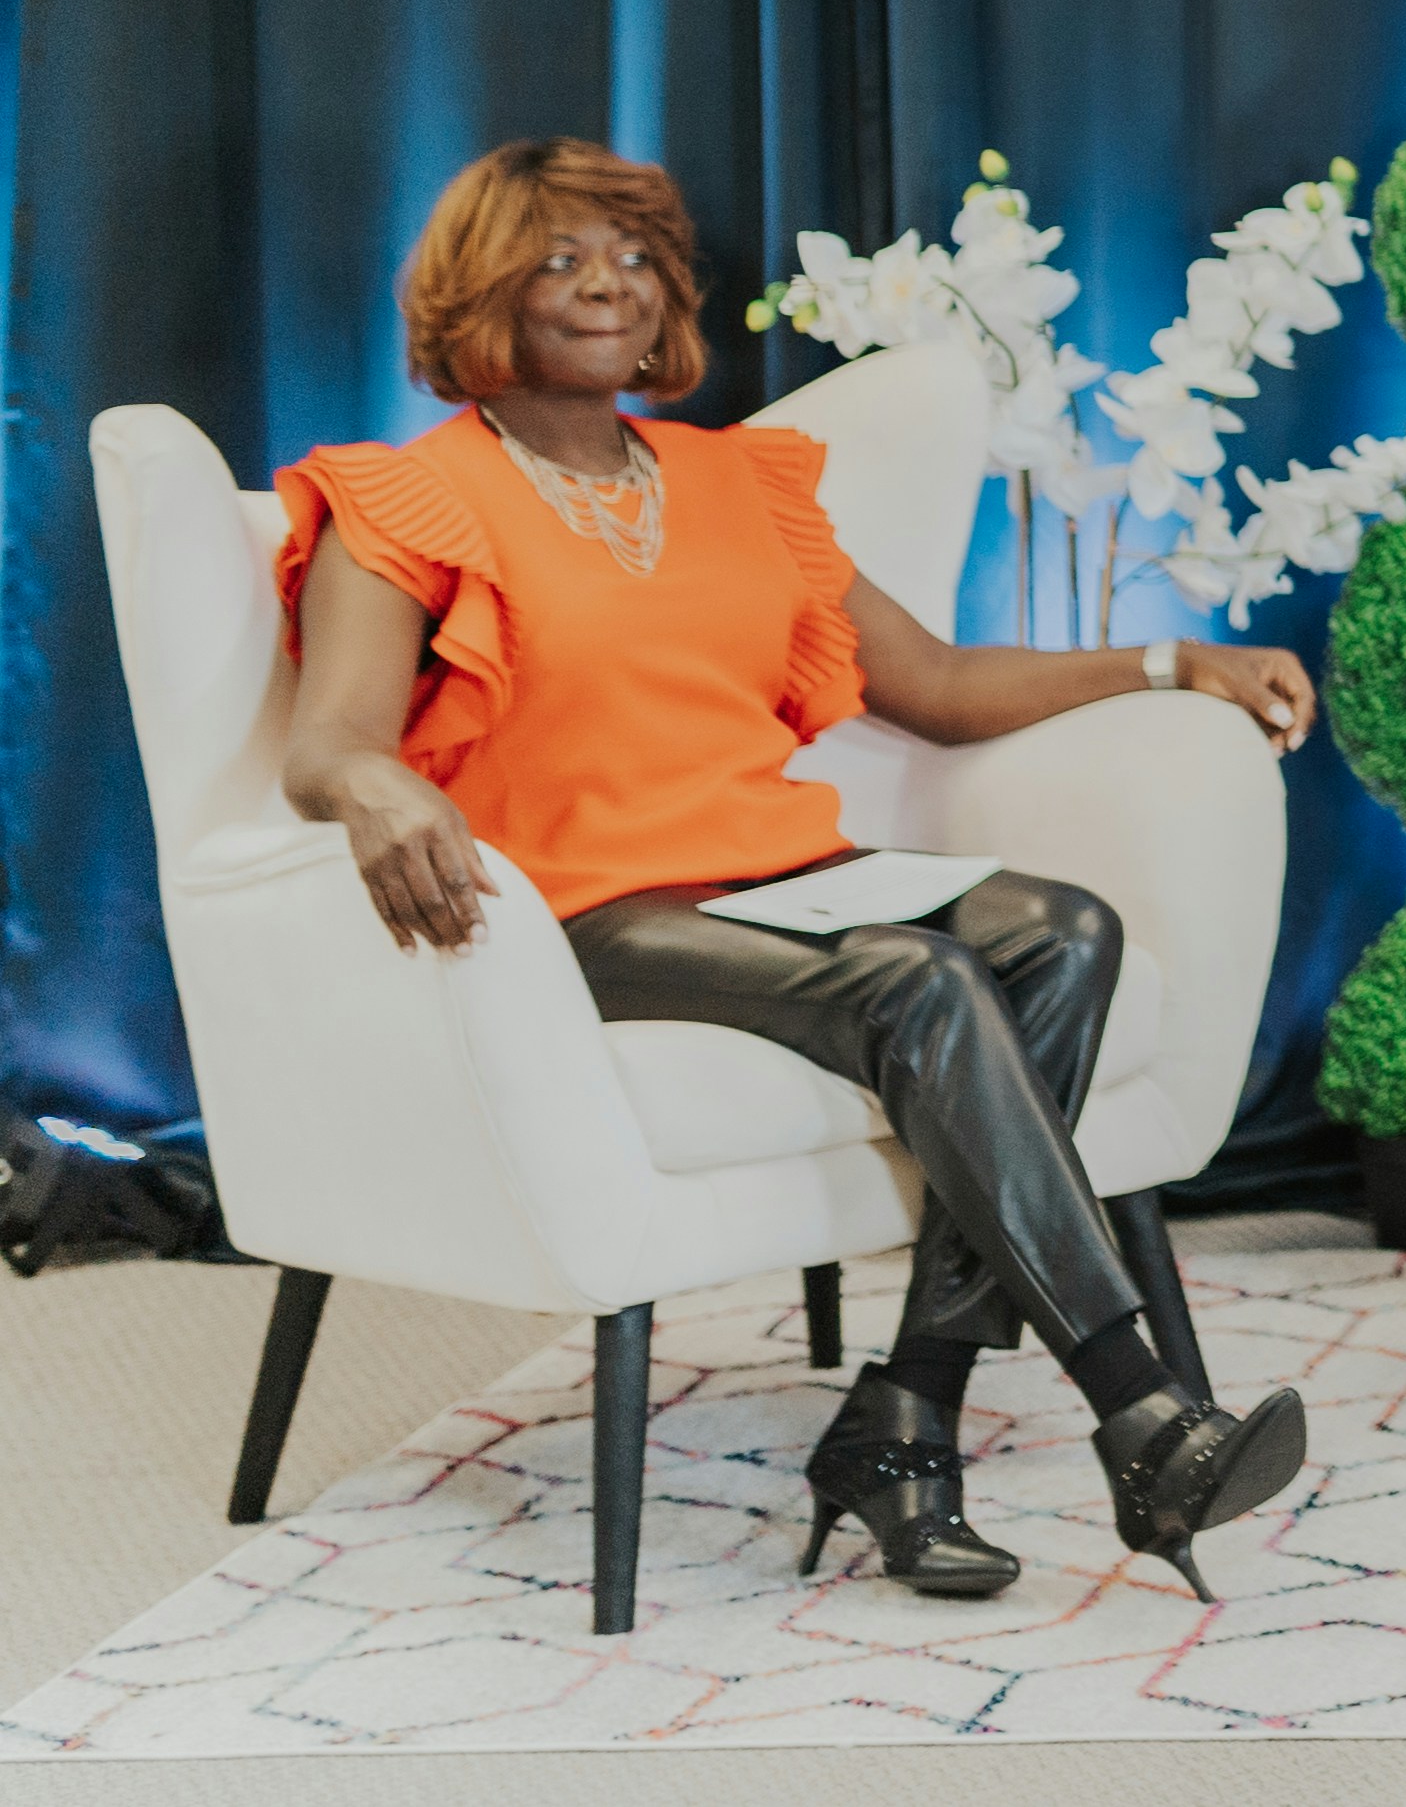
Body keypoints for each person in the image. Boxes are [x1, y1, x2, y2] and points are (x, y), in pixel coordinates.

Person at [278, 138, 1317, 1602]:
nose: (608, 282)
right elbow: (322, 743)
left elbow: (939, 684)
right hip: (583, 909)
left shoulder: (732, 480)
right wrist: (377, 781)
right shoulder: (404, 498)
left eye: (636, 257)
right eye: (563, 253)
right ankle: (1140, 1407)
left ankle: (911, 1413)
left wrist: (1169, 657)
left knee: (1063, 930)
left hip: (782, 873)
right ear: (480, 288)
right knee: (924, 978)